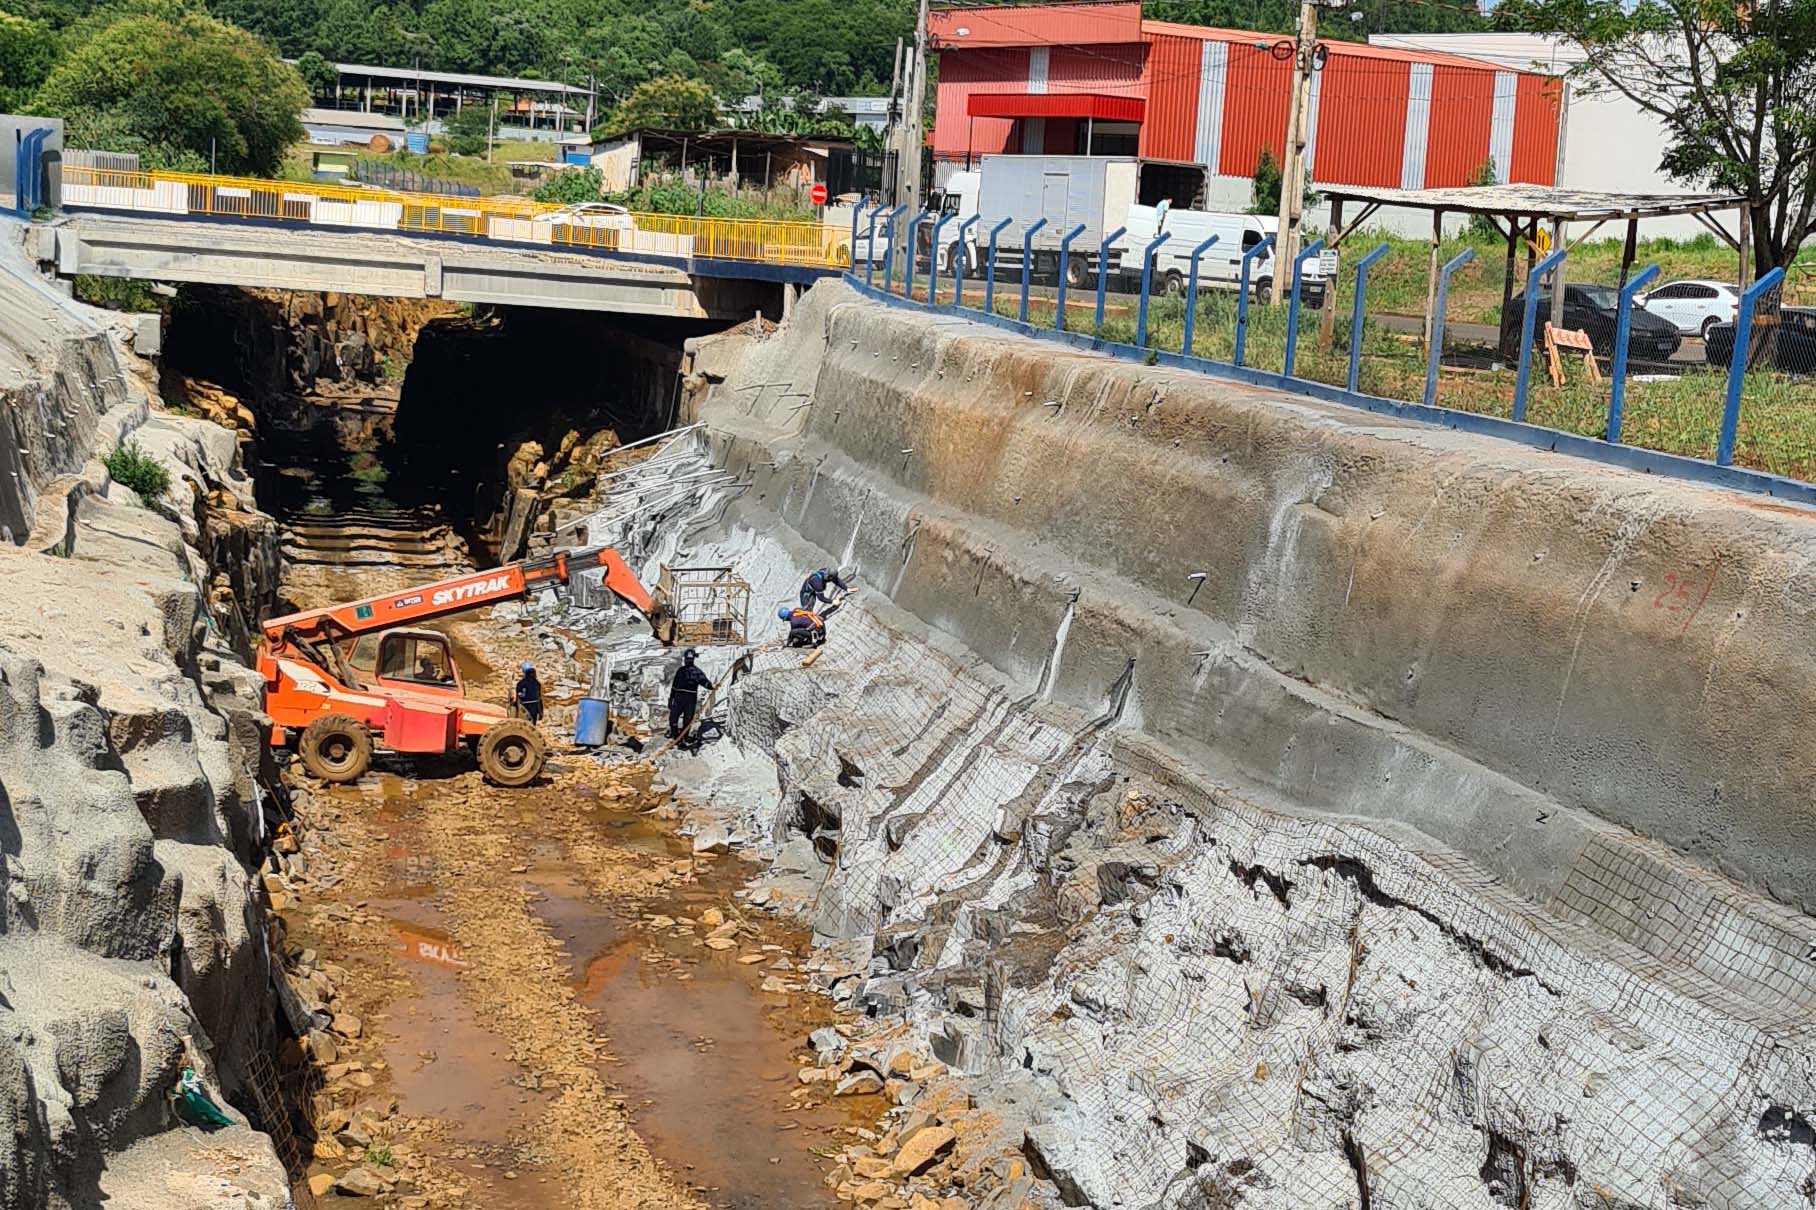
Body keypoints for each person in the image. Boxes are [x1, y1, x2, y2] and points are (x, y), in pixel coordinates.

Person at [668, 649, 714, 744]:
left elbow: (703, 681)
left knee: (685, 718)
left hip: (687, 697)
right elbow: (674, 685)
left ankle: (682, 736)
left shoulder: (692, 671)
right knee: (676, 717)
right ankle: (676, 735)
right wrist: (671, 698)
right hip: (682, 697)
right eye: (687, 659)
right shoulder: (683, 671)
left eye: (689, 659)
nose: (688, 661)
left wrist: (711, 686)